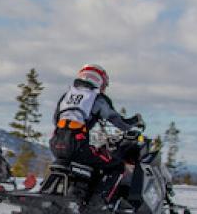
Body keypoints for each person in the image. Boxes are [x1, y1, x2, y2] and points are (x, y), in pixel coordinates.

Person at [49, 64, 144, 202]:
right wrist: (136, 121)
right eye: (104, 85)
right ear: (99, 81)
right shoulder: (96, 98)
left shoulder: (66, 96)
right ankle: (99, 203)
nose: (104, 89)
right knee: (116, 164)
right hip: (78, 146)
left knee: (92, 162)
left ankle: (83, 193)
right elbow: (119, 122)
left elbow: (55, 120)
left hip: (56, 145)